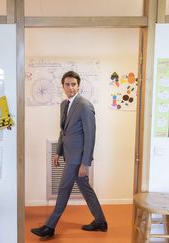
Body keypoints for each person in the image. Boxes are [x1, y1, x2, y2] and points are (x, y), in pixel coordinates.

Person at [31, 71, 107, 239]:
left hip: (77, 159)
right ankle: (101, 221)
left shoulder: (85, 105)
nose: (70, 87)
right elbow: (63, 131)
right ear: (63, 86)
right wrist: (58, 152)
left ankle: (49, 226)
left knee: (63, 189)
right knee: (86, 189)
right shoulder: (64, 104)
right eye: (67, 84)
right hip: (68, 155)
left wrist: (85, 163)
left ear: (78, 86)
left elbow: (90, 136)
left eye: (73, 84)